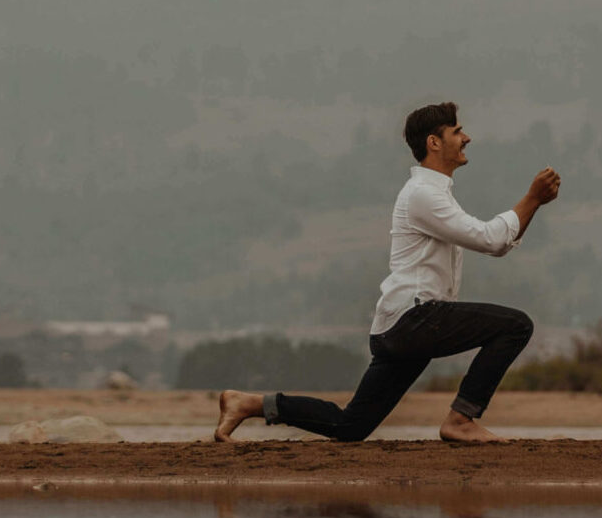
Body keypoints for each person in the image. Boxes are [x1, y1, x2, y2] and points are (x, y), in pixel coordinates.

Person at [214, 102, 560, 443]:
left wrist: (534, 203)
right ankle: (461, 420)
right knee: (516, 326)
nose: (466, 137)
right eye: (457, 131)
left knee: (350, 427)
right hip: (415, 320)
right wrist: (532, 198)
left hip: (398, 329)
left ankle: (249, 404)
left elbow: (498, 244)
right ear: (434, 142)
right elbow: (489, 239)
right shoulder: (424, 194)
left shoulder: (433, 193)